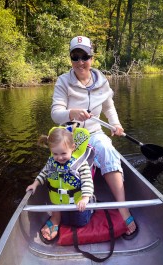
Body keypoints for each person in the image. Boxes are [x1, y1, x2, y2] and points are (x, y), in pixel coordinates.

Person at [50, 36, 138, 239]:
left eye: (85, 56)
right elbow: (56, 113)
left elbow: (108, 106)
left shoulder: (102, 81)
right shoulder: (63, 81)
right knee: (63, 164)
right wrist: (72, 113)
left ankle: (122, 208)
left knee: (108, 150)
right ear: (71, 58)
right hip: (71, 134)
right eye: (75, 56)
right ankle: (56, 214)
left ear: (92, 57)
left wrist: (115, 124)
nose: (80, 62)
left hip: (95, 131)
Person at [26, 126, 94, 244]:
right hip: (58, 201)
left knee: (80, 222)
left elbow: (88, 181)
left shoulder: (80, 164)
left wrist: (85, 197)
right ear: (51, 151)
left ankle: (92, 206)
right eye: (55, 154)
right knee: (63, 218)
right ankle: (56, 218)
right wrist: (35, 183)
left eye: (63, 153)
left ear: (72, 148)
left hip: (77, 203)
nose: (59, 157)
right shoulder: (52, 162)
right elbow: (44, 172)